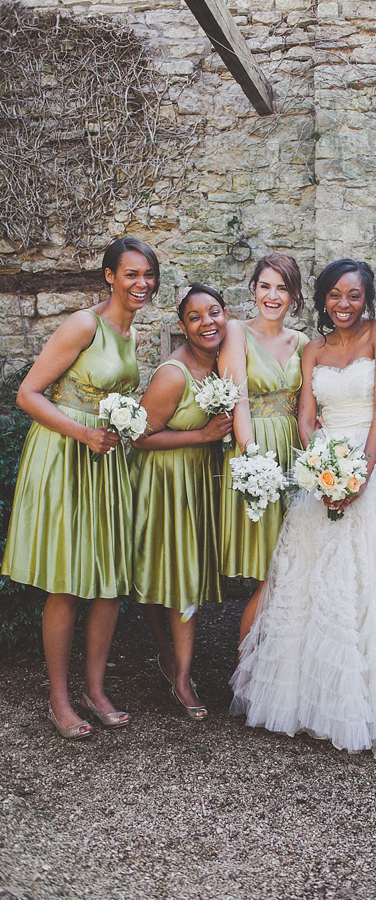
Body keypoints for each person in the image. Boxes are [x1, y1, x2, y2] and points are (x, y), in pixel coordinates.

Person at [230, 259, 376, 759]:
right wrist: (319, 465)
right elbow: (306, 416)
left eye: (353, 296)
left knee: (372, 571)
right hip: (323, 462)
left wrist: (359, 474)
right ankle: (309, 700)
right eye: (334, 295)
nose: (343, 304)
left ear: (366, 298)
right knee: (312, 575)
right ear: (322, 298)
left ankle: (375, 701)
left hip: (373, 458)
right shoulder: (314, 348)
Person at [1, 236, 159, 738]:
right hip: (67, 452)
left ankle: (95, 689)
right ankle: (59, 699)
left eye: (148, 275)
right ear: (109, 276)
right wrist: (84, 432)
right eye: (131, 274)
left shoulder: (132, 335)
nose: (142, 284)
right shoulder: (83, 324)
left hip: (105, 460)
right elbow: (29, 394)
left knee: (109, 578)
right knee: (67, 580)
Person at [130, 285, 232, 720]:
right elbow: (138, 436)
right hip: (163, 484)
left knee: (179, 578)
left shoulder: (227, 365)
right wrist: (202, 435)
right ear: (182, 326)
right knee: (167, 579)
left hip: (199, 484)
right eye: (195, 317)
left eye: (214, 312)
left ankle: (174, 663)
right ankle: (182, 676)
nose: (207, 322)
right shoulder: (174, 374)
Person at [218, 253, 307, 645]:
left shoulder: (302, 342)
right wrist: (252, 458)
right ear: (253, 289)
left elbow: (309, 404)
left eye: (282, 288)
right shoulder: (237, 331)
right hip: (257, 452)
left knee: (292, 565)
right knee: (270, 569)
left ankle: (281, 667)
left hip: (292, 452)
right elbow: (238, 397)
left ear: (294, 296)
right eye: (266, 286)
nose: (273, 296)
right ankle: (247, 671)